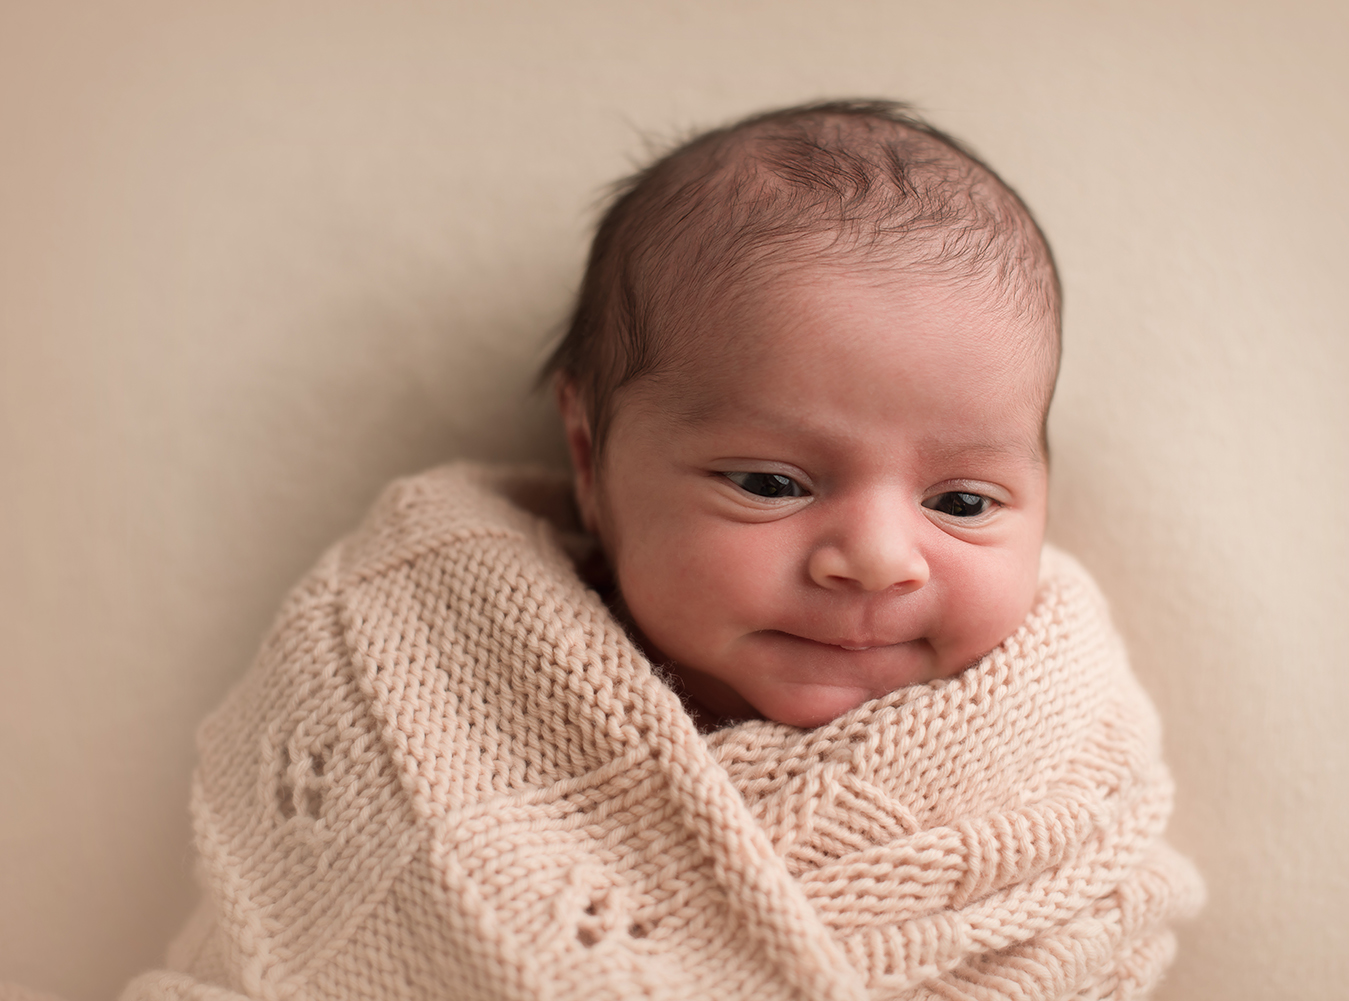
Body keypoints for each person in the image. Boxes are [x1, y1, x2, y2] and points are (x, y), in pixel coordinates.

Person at [120, 101, 1202, 1001]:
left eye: (963, 499)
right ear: (590, 455)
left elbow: (1104, 930)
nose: (876, 558)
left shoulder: (1058, 744)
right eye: (772, 483)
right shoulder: (431, 649)